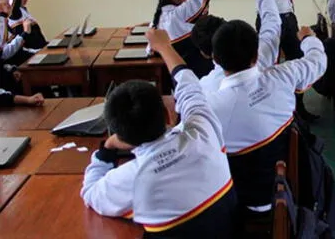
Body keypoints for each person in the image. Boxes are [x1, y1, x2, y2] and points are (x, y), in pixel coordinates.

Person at [81, 28, 236, 238]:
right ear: (167, 116)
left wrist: (107, 149)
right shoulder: (203, 130)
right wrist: (164, 46)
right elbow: (189, 87)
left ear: (121, 138)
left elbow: (91, 193)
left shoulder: (131, 179)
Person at [207, 0, 327, 227]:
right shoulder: (281, 76)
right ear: (255, 53)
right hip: (286, 193)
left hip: (236, 207)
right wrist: (309, 38)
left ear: (214, 58)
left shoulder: (210, 108)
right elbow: (275, 26)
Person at [259, 0, 323, 121]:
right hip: (272, 20)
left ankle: (298, 110)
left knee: (296, 59)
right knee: (269, 64)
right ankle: (273, 111)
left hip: (287, 17)